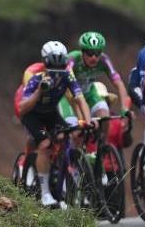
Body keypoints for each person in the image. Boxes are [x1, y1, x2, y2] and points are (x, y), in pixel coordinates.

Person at [18, 41, 93, 207]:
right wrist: (39, 92)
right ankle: (45, 193)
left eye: (61, 65)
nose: (57, 72)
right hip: (33, 115)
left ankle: (58, 175)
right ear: (45, 63)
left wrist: (87, 122)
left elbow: (80, 99)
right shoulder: (37, 79)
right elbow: (22, 109)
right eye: (53, 65)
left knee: (67, 135)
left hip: (51, 113)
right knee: (45, 145)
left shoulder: (67, 76)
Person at [67, 31, 131, 133]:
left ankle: (102, 146)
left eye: (97, 53)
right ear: (82, 51)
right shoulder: (73, 58)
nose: (94, 58)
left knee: (105, 118)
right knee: (79, 129)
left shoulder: (104, 60)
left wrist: (125, 109)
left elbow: (119, 84)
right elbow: (70, 81)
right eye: (90, 53)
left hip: (89, 93)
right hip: (72, 97)